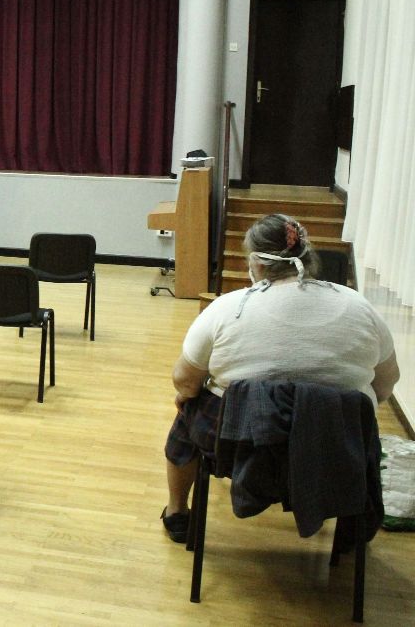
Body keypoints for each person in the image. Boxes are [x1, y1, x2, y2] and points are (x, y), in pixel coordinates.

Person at [160, 213, 400, 543]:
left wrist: (187, 396)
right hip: (334, 443)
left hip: (239, 442)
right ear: (309, 257)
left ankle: (177, 512)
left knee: (188, 410)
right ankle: (350, 534)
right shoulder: (359, 307)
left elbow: (185, 380)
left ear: (256, 264)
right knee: (359, 420)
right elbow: (386, 383)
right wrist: (328, 408)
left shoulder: (227, 308)